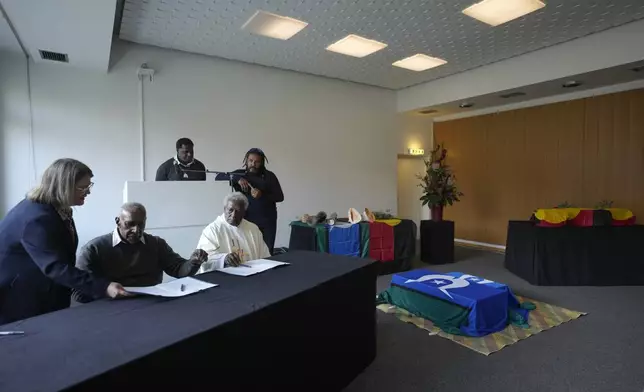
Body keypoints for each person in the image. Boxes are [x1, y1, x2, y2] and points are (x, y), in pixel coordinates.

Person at [0, 158, 129, 325]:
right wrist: (104, 287)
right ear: (62, 187)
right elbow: (55, 267)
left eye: (90, 186)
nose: (88, 192)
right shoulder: (35, 219)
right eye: (83, 188)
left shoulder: (58, 208)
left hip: (45, 292)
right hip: (21, 302)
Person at [73, 202, 208, 303]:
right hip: (112, 307)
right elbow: (78, 292)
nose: (136, 230)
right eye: (130, 224)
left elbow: (178, 270)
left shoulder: (156, 244)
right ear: (117, 221)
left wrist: (193, 263)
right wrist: (105, 290)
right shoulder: (94, 249)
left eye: (141, 225)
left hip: (153, 304)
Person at [196, 192, 270, 273]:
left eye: (238, 211)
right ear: (224, 209)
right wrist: (224, 259)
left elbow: (264, 256)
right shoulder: (212, 230)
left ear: (244, 212)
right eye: (230, 210)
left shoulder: (252, 229)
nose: (233, 215)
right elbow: (204, 260)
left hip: (252, 274)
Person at [231, 148, 283, 254]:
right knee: (248, 252)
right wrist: (238, 179)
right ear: (246, 161)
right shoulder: (240, 174)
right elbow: (220, 176)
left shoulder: (269, 176)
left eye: (257, 162)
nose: (253, 164)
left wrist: (262, 195)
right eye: (250, 160)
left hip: (267, 222)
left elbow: (280, 197)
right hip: (247, 221)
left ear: (262, 163)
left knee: (267, 252)